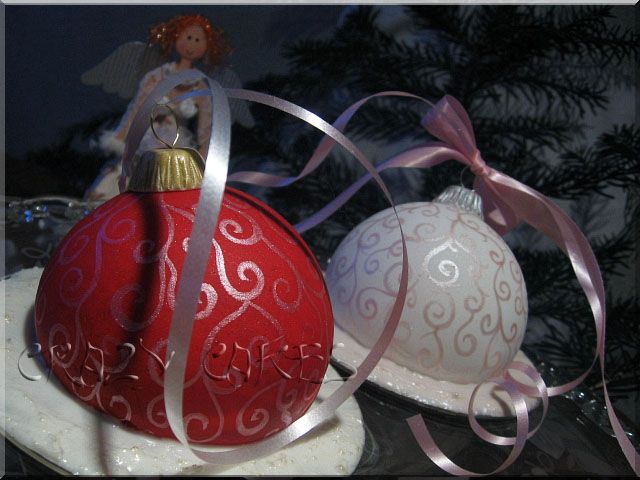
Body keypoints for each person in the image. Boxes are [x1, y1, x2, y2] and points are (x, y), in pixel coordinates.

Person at [85, 14, 233, 201]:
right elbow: (137, 110)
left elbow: (205, 130)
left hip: (176, 146)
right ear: (176, 38)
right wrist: (121, 138)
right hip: (146, 137)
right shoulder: (157, 76)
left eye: (198, 40)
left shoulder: (201, 86)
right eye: (188, 38)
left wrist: (204, 163)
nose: (192, 45)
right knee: (123, 179)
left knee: (169, 189)